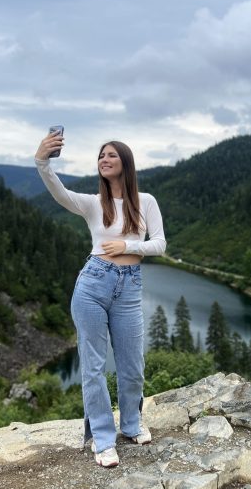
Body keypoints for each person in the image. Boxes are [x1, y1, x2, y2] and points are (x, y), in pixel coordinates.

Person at [35, 130, 166, 467]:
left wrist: (127, 246)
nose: (104, 160)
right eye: (101, 156)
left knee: (132, 365)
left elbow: (160, 244)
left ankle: (132, 424)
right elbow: (60, 193)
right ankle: (102, 439)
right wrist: (42, 162)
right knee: (93, 367)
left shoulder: (146, 201)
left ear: (125, 162)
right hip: (93, 284)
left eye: (111, 155)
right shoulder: (94, 203)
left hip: (130, 287)